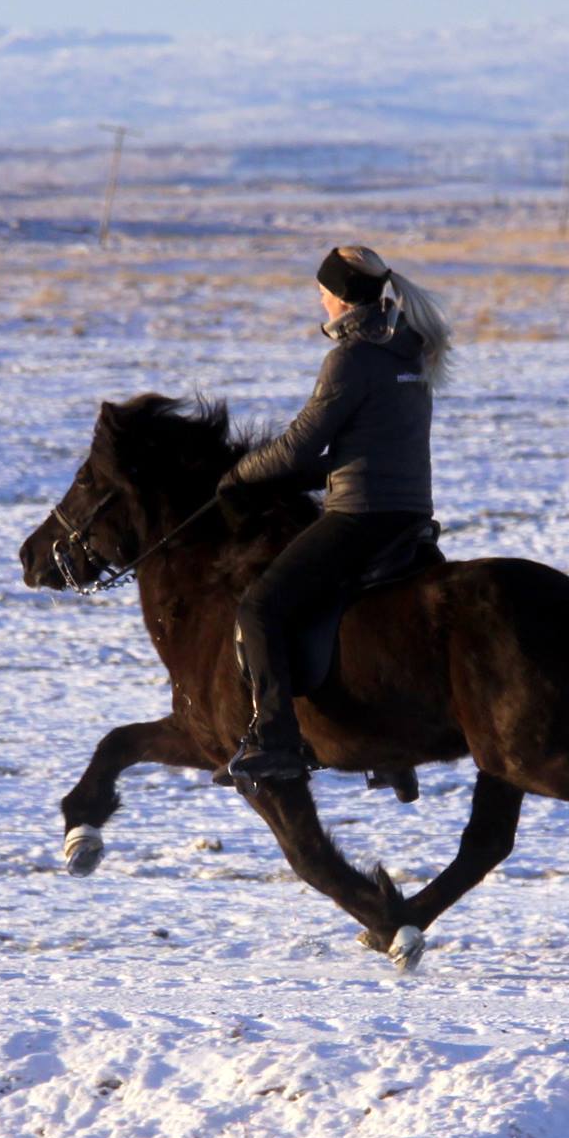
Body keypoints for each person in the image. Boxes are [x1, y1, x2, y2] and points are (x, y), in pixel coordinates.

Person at [217, 244, 455, 783]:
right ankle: (390, 752)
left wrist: (239, 475)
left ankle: (274, 740)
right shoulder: (410, 352)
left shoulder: (350, 359)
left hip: (360, 517)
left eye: (323, 290)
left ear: (342, 300)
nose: (320, 299)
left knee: (259, 608)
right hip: (409, 515)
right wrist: (310, 477)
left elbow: (299, 445)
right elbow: (368, 448)